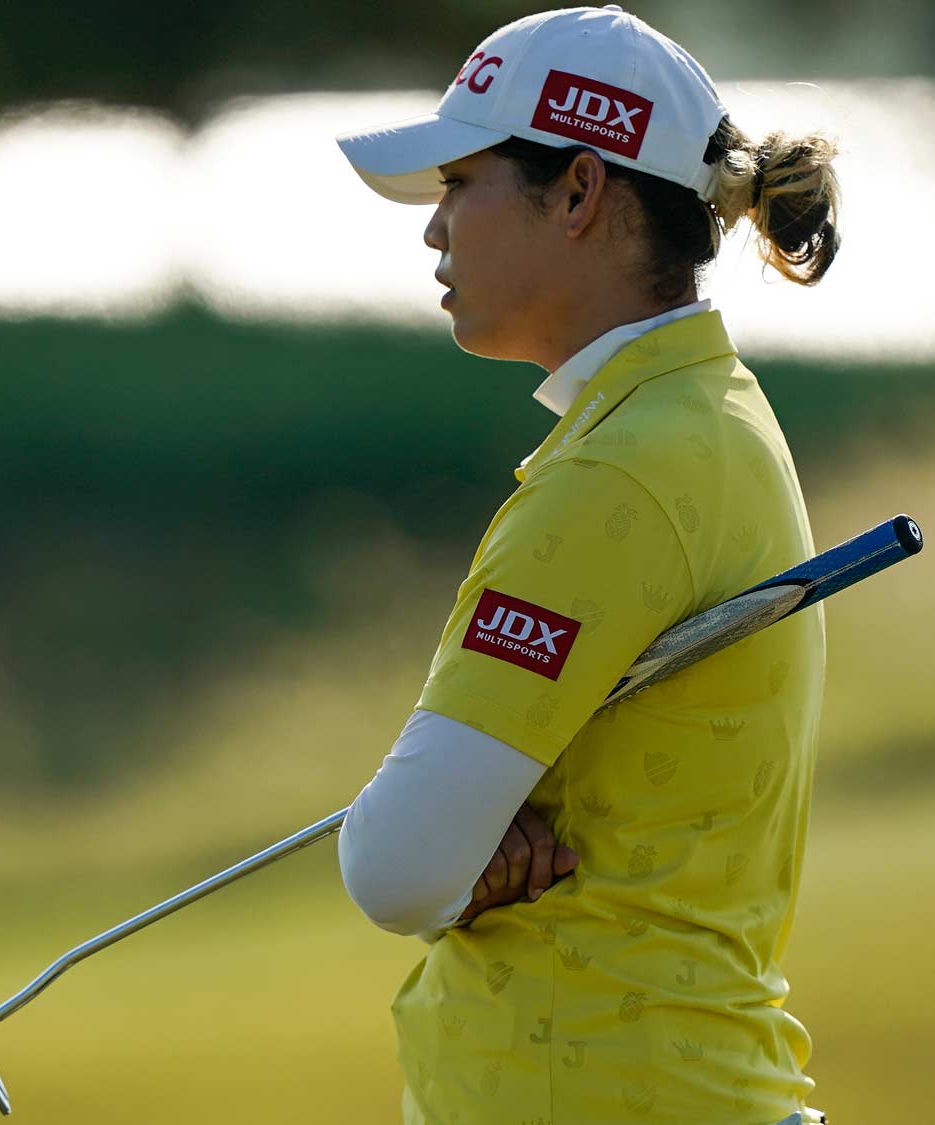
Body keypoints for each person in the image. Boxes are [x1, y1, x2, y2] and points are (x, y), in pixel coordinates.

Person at [330, 7, 841, 1124]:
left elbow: (395, 866)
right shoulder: (699, 415)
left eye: (460, 183)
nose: (433, 230)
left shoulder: (618, 471)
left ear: (577, 192)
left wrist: (449, 855)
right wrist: (462, 843)